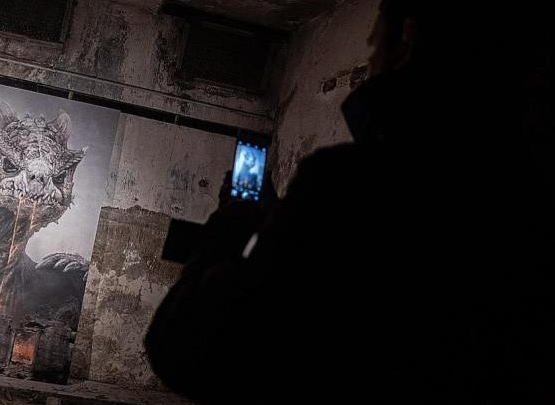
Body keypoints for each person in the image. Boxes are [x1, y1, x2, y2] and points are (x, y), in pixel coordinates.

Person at [145, 1, 554, 403]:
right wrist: (277, 217)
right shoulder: (521, 198)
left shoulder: (346, 180)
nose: (371, 52)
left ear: (407, 38)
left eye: (376, 39)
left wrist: (232, 221)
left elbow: (186, 349)